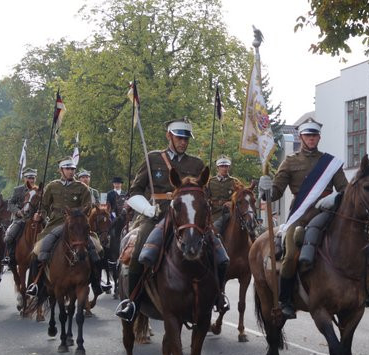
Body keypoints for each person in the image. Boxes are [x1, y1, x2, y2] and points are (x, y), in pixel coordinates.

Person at [116, 118, 229, 322]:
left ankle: (219, 296)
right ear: (169, 136)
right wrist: (148, 209)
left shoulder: (196, 164)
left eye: (186, 139)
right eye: (179, 138)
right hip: (157, 216)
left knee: (220, 253)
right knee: (141, 251)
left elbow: (205, 196)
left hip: (188, 219)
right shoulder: (153, 159)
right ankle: (131, 302)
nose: (183, 142)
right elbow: (134, 192)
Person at [258, 118, 348, 319]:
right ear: (301, 137)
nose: (311, 139)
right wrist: (266, 190)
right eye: (308, 135)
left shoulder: (330, 163)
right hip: (300, 217)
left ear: (319, 137)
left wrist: (335, 197)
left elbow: (345, 190)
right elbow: (277, 192)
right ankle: (286, 300)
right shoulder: (290, 162)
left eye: (314, 135)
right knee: (290, 255)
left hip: (328, 213)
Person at [26, 158, 98, 299]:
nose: (71, 171)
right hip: (55, 223)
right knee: (37, 251)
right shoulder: (52, 186)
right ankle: (35, 284)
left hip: (76, 226)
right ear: (61, 170)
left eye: (73, 169)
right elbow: (45, 206)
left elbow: (88, 207)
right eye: (68, 169)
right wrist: (39, 215)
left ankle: (97, 283)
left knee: (97, 250)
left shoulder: (82, 188)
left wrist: (77, 216)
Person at [2, 168, 38, 266]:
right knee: (9, 237)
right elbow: (10, 203)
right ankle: (9, 257)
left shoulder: (39, 190)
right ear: (24, 178)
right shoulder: (18, 190)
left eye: (33, 178)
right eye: (29, 178)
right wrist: (17, 212)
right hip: (20, 219)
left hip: (35, 220)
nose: (31, 180)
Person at [208, 155, 242, 233]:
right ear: (218, 168)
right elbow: (205, 197)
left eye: (226, 166)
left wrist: (232, 202)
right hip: (214, 213)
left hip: (230, 213)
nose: (224, 168)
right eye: (222, 166)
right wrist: (209, 202)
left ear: (229, 167)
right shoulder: (210, 182)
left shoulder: (235, 182)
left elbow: (241, 197)